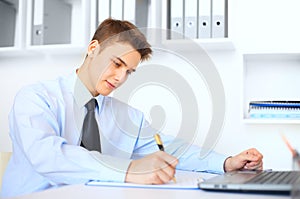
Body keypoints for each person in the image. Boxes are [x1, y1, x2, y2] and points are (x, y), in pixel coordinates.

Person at [1, 18, 263, 198]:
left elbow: (169, 148)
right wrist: (127, 170)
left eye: (129, 72)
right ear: (93, 49)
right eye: (116, 64)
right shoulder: (36, 98)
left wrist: (227, 163)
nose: (120, 78)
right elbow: (47, 155)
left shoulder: (126, 116)